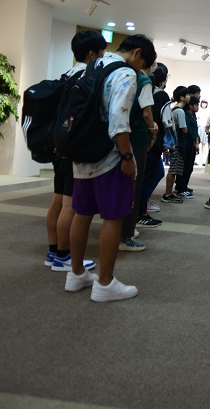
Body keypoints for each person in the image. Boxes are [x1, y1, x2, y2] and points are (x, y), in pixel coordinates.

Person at [66, 34, 157, 302]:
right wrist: (127, 156)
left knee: (82, 213)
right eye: (143, 65)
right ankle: (105, 283)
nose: (140, 71)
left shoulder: (91, 65)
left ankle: (76, 274)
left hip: (81, 150)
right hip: (109, 155)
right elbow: (118, 118)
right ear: (137, 53)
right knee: (113, 217)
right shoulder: (125, 73)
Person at [45, 30, 105, 272]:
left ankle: (53, 252)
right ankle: (63, 256)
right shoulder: (87, 77)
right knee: (70, 205)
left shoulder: (66, 75)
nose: (102, 58)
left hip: (58, 143)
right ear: (92, 54)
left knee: (57, 200)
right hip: (73, 148)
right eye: (101, 53)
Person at [117, 60, 157, 250]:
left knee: (118, 186)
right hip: (136, 138)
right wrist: (153, 129)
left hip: (115, 136)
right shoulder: (143, 80)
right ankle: (126, 234)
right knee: (133, 186)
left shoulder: (116, 74)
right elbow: (147, 114)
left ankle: (117, 229)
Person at [138, 63, 169, 226]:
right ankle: (140, 212)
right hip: (152, 141)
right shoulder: (161, 95)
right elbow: (166, 122)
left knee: (153, 173)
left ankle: (142, 204)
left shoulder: (140, 87)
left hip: (141, 139)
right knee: (146, 177)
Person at [161, 86, 189, 202]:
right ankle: (168, 194)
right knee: (173, 170)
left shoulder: (173, 109)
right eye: (187, 95)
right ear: (182, 97)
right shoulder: (180, 111)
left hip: (174, 143)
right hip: (178, 144)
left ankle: (169, 193)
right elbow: (184, 129)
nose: (189, 97)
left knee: (174, 169)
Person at [176, 95, 200, 196]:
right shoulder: (185, 115)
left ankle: (184, 186)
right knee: (185, 168)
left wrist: (197, 143)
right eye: (196, 105)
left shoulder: (193, 116)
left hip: (193, 145)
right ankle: (181, 188)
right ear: (190, 106)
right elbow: (188, 132)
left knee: (189, 168)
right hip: (187, 145)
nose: (198, 107)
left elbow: (195, 131)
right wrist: (194, 144)